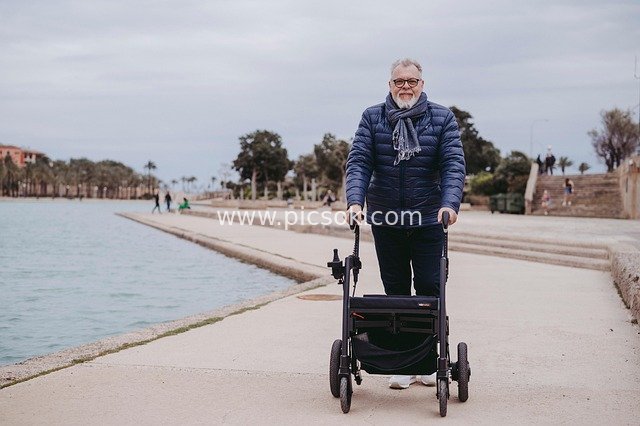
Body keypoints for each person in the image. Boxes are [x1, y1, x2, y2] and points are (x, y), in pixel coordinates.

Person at [345, 58, 466, 390]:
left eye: (412, 81)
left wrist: (449, 204)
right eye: (399, 81)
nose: (406, 87)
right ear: (390, 85)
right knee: (395, 292)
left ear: (422, 84)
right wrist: (355, 201)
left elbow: (454, 162)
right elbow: (359, 161)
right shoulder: (372, 117)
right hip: (386, 219)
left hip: (428, 219)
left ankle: (428, 361)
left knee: (429, 290)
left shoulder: (442, 118)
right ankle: (402, 363)